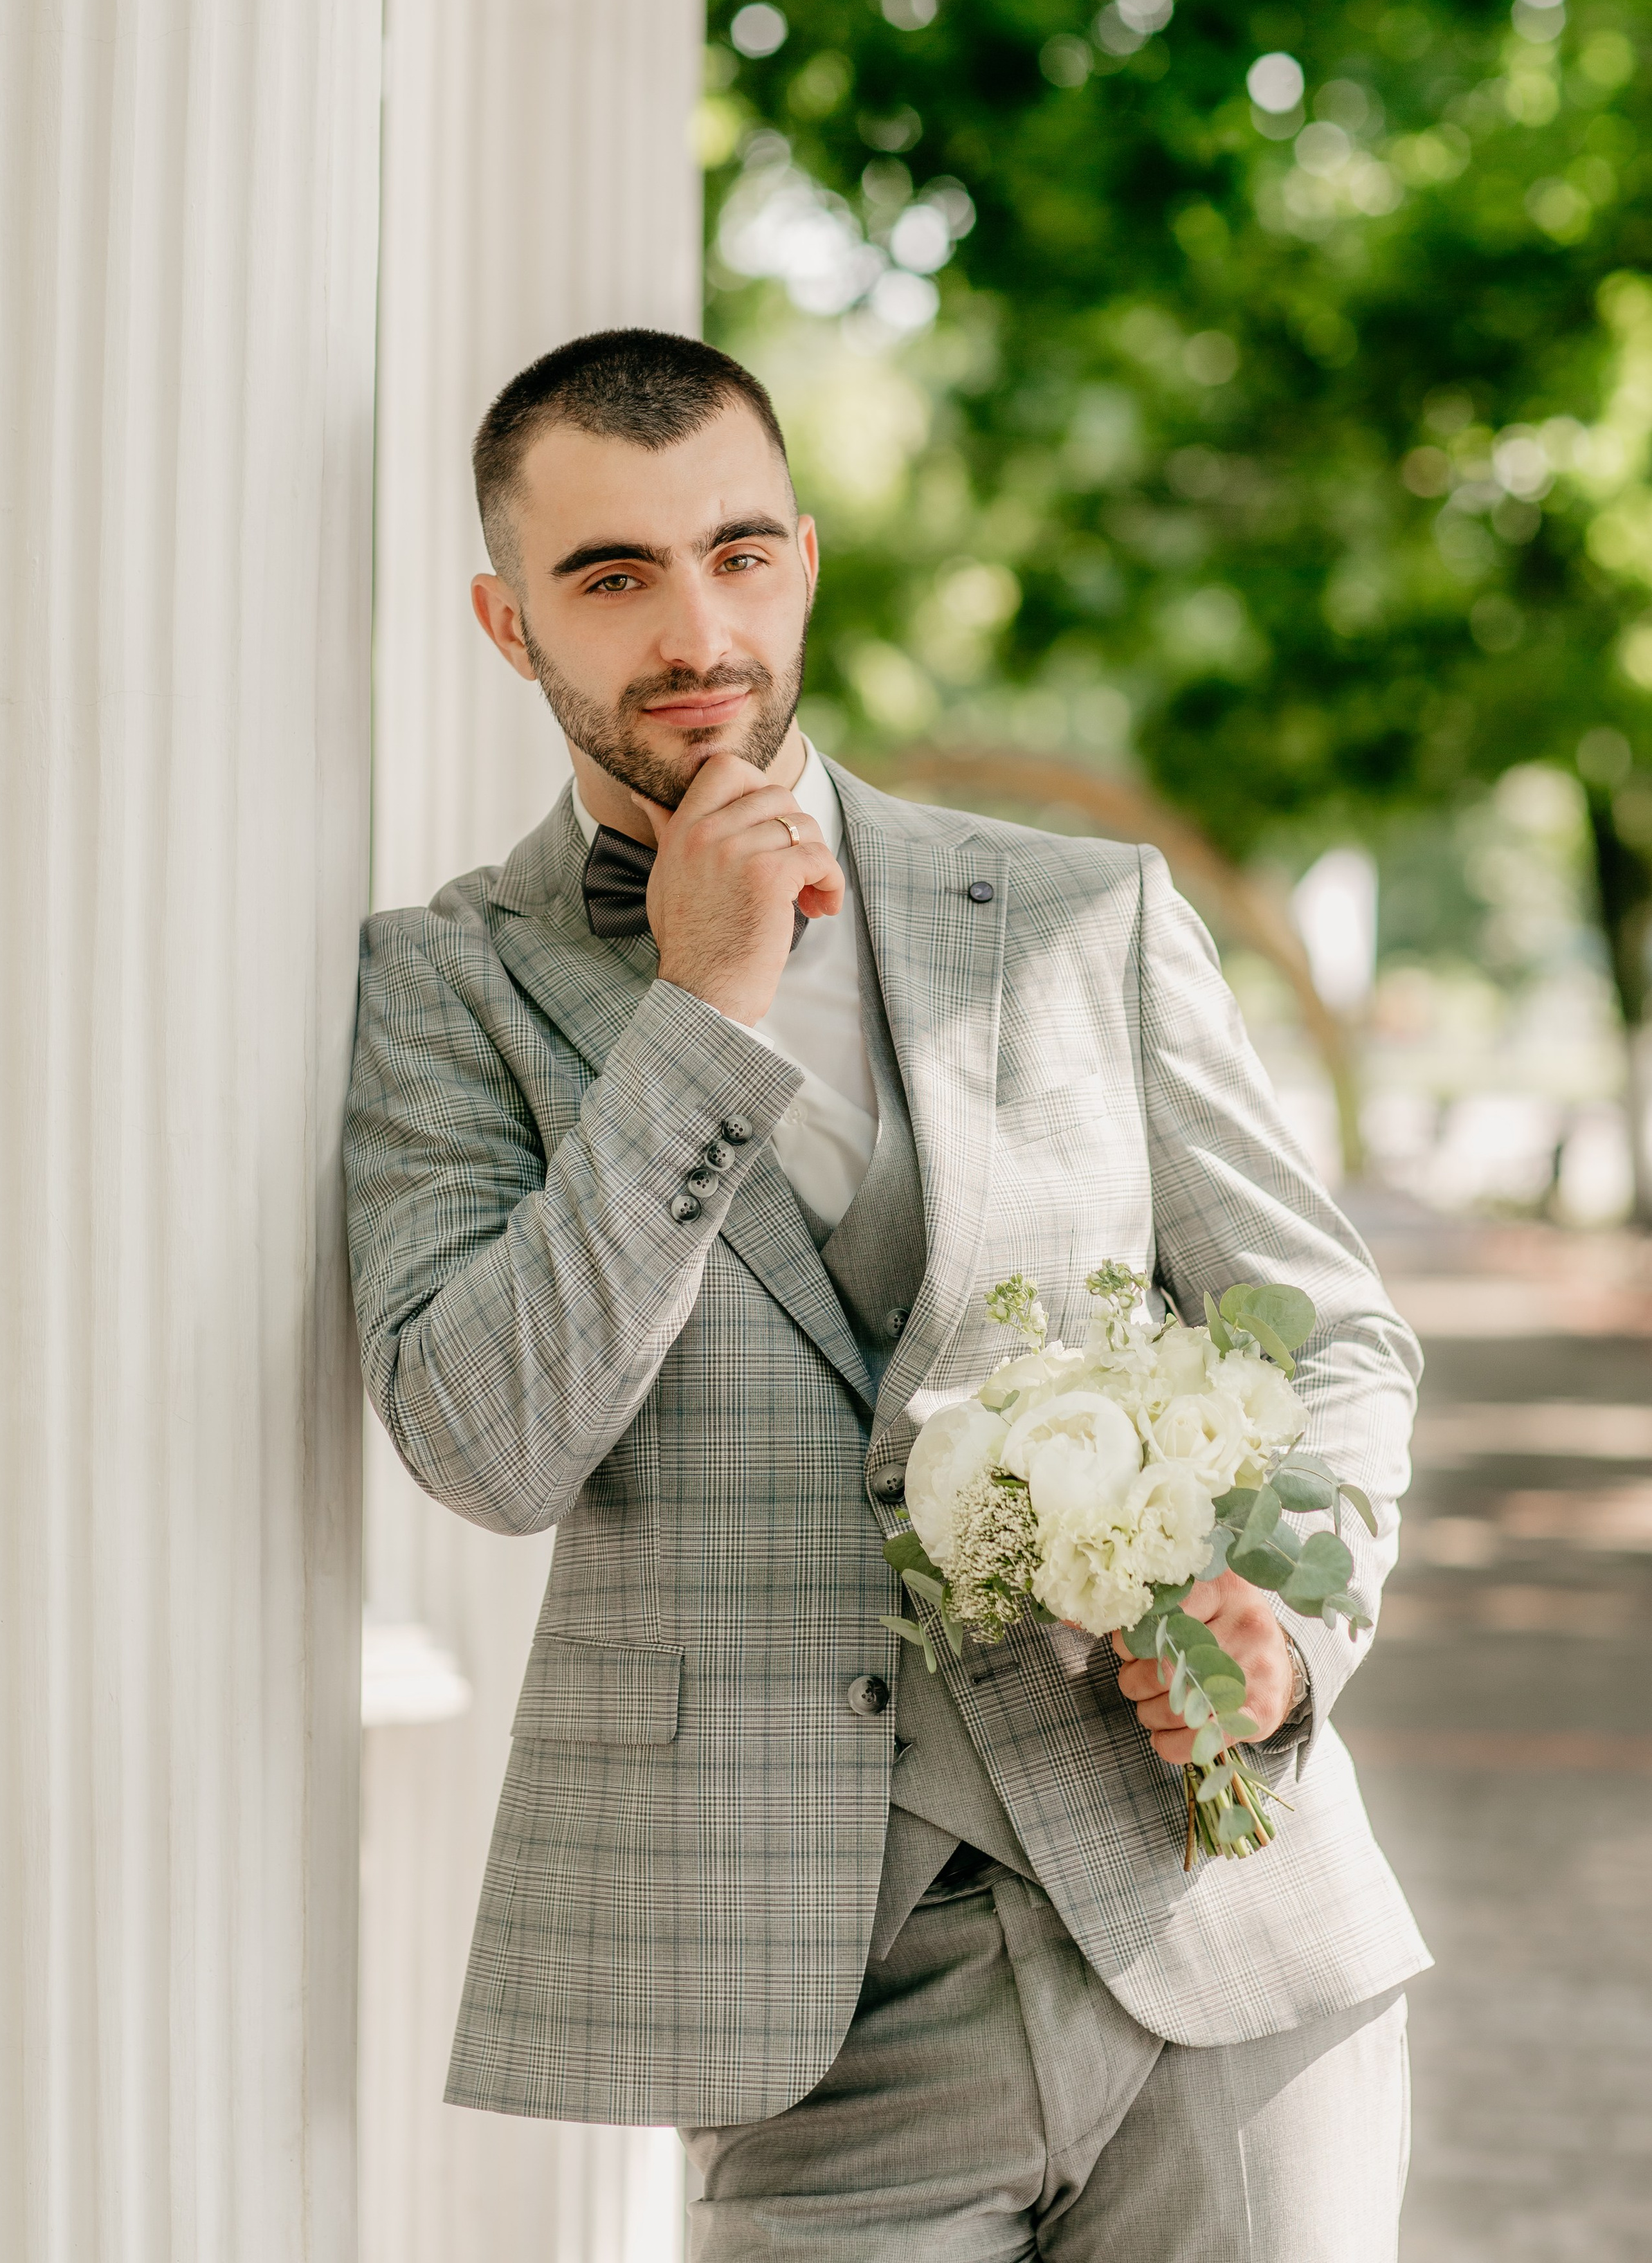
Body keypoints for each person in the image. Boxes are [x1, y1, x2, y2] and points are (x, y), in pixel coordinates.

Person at [343, 328, 1430, 2261]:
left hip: (1224, 1946)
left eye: (740, 554)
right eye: (614, 576)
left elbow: (1333, 1331)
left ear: (808, 565)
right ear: (511, 627)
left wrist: (1292, 1618)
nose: (698, 629)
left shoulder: (1082, 915)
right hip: (813, 2018)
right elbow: (490, 1446)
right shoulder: (452, 988)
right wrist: (702, 1011)